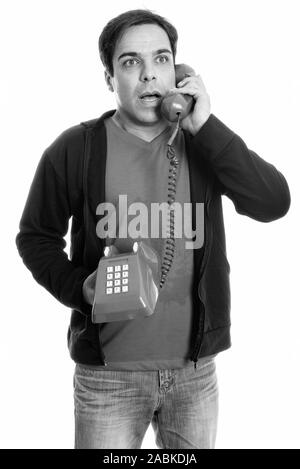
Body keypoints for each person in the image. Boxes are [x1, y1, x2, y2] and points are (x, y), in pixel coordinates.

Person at [15, 9, 290, 450]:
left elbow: (273, 202)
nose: (148, 75)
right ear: (109, 78)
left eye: (161, 60)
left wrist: (207, 127)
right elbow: (35, 238)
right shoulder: (75, 149)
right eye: (130, 63)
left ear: (178, 72)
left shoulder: (205, 145)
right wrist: (79, 289)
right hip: (108, 380)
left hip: (194, 376)